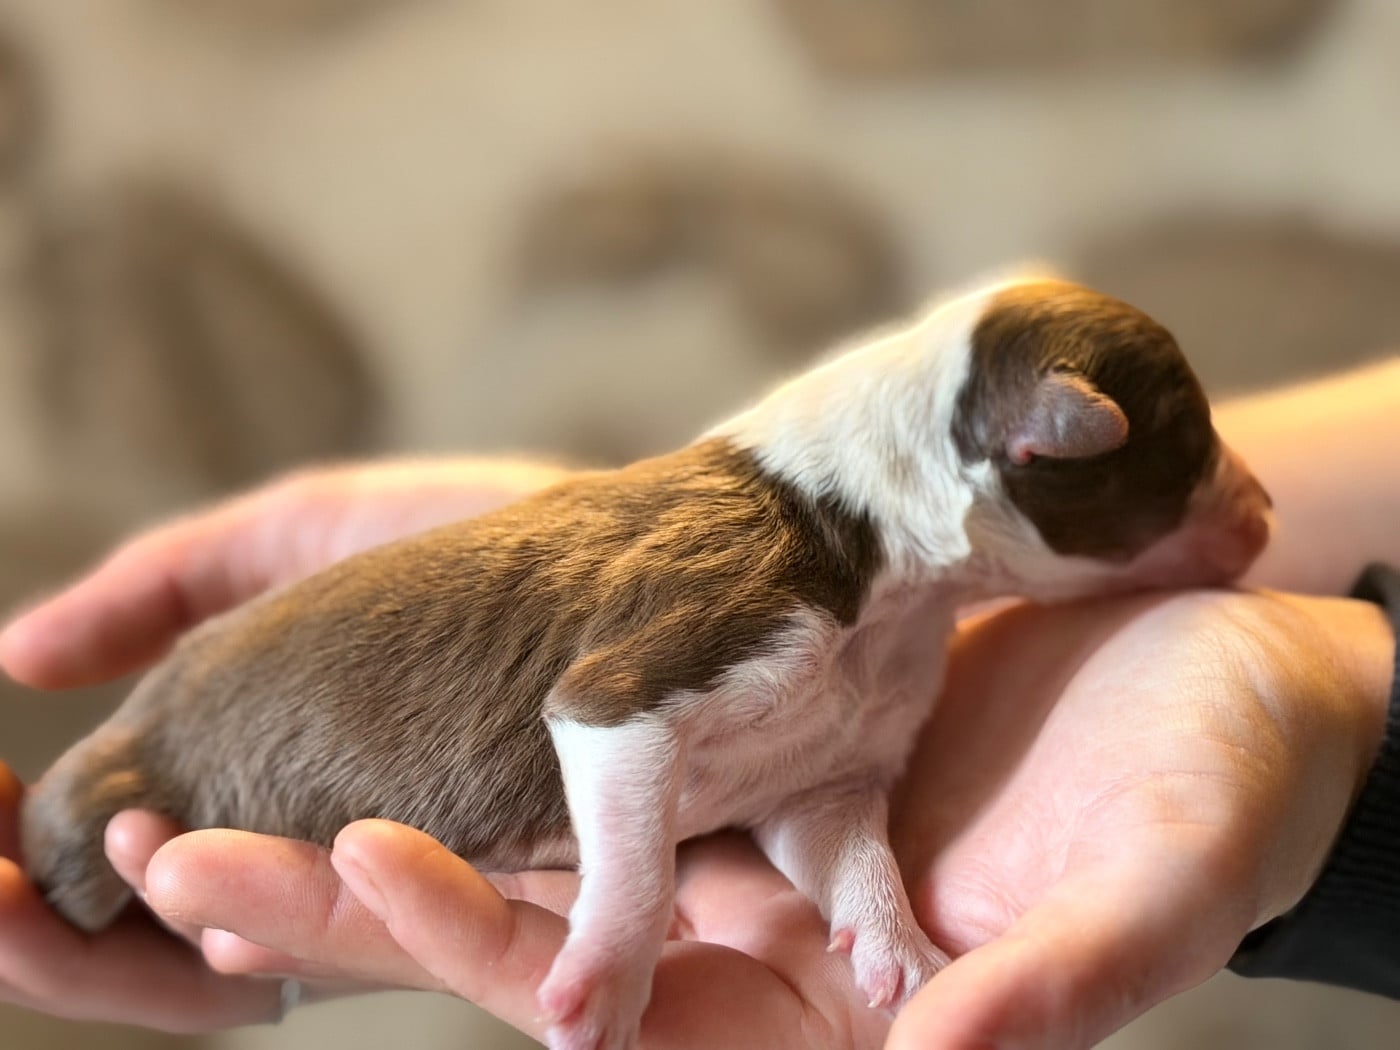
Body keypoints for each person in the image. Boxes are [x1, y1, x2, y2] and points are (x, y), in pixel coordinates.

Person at [1, 360, 1398, 1049]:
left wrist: (881, 919)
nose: (1253, 523)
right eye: (1193, 489)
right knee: (76, 857)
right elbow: (612, 712)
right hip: (210, 748)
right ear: (1020, 450)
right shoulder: (792, 578)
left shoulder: (907, 629)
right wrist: (621, 924)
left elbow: (824, 777)